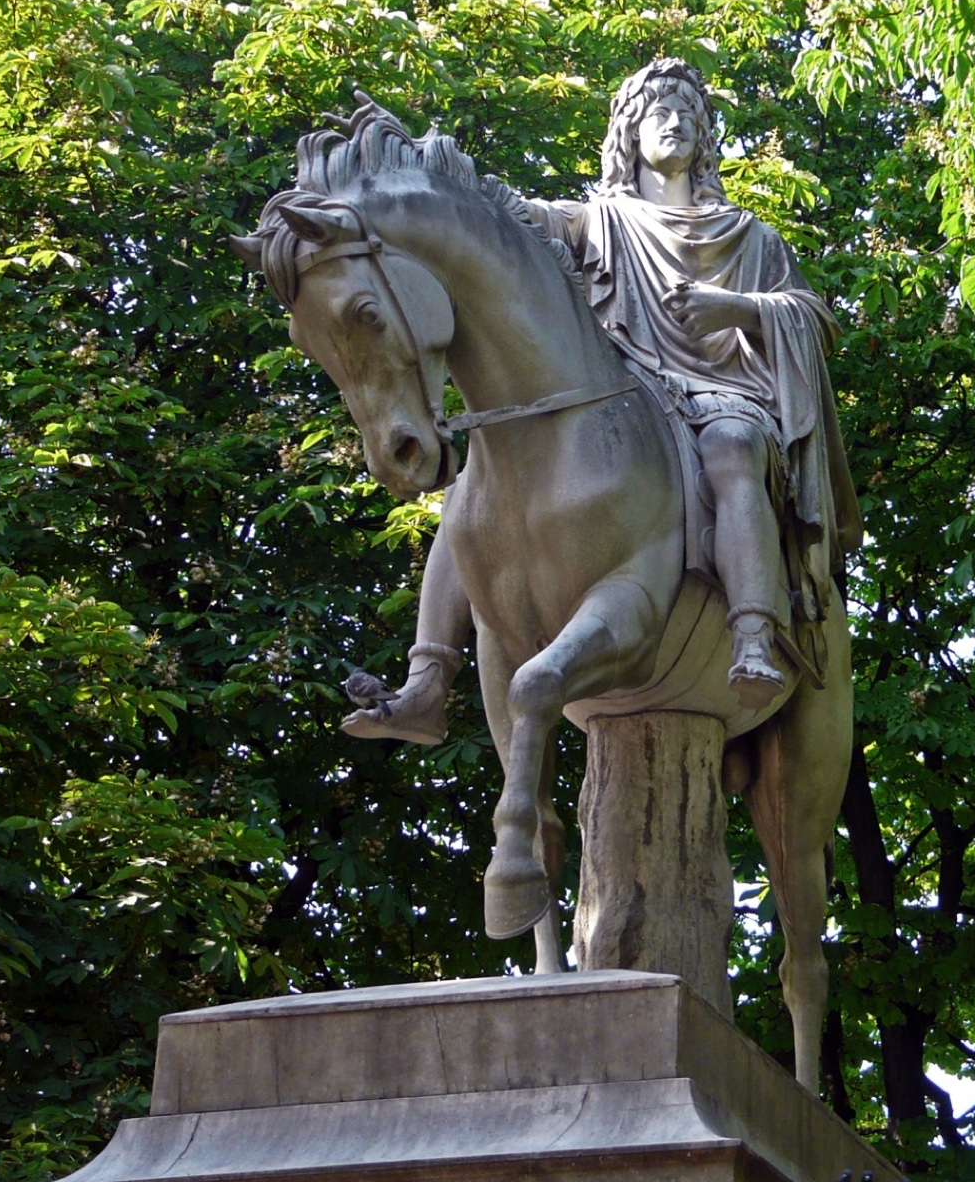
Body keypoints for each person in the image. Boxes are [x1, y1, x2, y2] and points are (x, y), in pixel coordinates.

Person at [343, 57, 859, 738]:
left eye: (689, 116)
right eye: (659, 113)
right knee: (474, 483)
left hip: (721, 397)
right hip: (627, 404)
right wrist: (417, 173)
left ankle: (754, 633)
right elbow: (498, 221)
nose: (675, 123)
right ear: (630, 134)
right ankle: (425, 682)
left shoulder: (750, 236)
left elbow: (813, 318)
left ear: (705, 140)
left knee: (734, 446)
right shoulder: (596, 222)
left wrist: (735, 308)